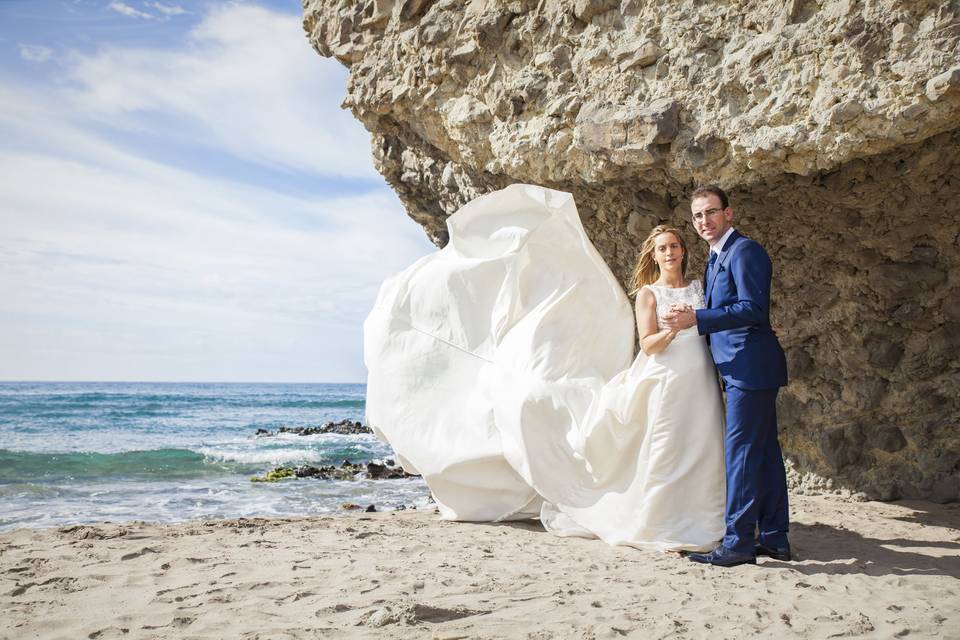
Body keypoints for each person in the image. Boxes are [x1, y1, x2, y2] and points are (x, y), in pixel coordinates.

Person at [363, 184, 724, 551]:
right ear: (654, 255)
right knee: (665, 447)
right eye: (662, 248)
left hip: (699, 375)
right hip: (664, 376)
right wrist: (676, 329)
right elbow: (647, 344)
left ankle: (707, 519)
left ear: (683, 251)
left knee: (702, 444)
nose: (669, 253)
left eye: (674, 247)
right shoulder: (649, 294)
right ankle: (666, 523)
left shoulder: (699, 286)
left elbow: (718, 318)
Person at [662, 185, 791, 566]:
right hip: (741, 365)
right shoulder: (716, 257)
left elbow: (752, 307)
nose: (705, 221)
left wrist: (696, 320)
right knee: (765, 453)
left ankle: (736, 544)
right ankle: (774, 538)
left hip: (749, 368)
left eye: (711, 212)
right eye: (698, 215)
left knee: (741, 454)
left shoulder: (744, 250)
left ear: (728, 214)